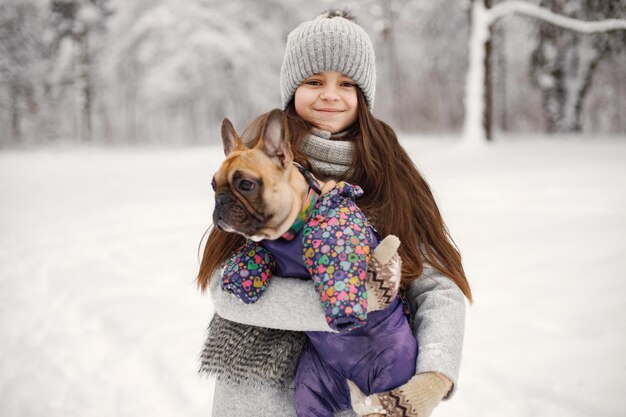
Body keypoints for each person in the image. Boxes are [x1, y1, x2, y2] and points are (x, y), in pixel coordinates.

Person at [197, 10, 472, 417]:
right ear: (292, 90)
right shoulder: (252, 164)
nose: (330, 94)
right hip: (257, 398)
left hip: (362, 395)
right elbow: (227, 289)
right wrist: (348, 303)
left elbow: (437, 284)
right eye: (314, 81)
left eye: (346, 83)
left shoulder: (392, 172)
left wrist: (435, 375)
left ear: (363, 95)